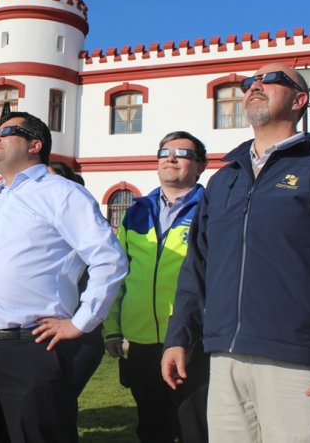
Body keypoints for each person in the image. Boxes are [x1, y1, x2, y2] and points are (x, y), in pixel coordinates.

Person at [162, 63, 310, 442]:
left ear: (300, 99)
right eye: (250, 81)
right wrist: (179, 338)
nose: (255, 85)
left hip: (296, 359)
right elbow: (197, 271)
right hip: (224, 357)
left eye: (272, 80)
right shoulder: (223, 182)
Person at [0, 112, 128, 443]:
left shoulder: (61, 193)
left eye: (8, 131)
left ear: (35, 144)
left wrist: (81, 322)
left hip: (36, 347)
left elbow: (109, 259)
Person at [104, 131, 209, 443]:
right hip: (142, 343)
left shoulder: (212, 209)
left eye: (182, 153)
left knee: (193, 428)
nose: (171, 157)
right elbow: (116, 273)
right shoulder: (136, 210)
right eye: (164, 152)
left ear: (200, 165)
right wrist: (112, 329)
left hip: (193, 341)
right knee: (151, 427)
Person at [47, 160, 104, 399]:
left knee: (58, 405)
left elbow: (109, 267)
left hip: (78, 337)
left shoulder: (83, 230)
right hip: (46, 337)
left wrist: (80, 323)